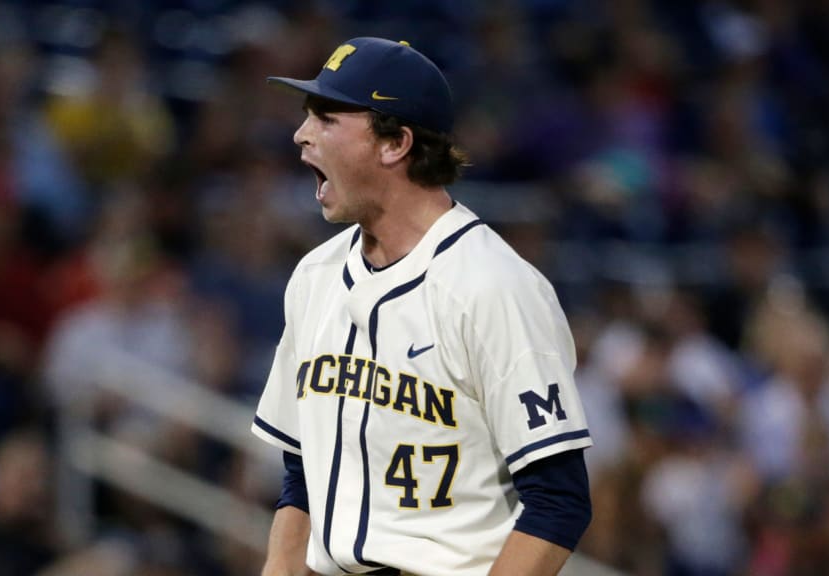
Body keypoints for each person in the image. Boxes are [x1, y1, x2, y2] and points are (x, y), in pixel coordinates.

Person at [251, 37, 592, 576]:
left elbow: (558, 502)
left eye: (326, 117)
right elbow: (300, 473)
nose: (301, 134)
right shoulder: (314, 277)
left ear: (395, 144)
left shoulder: (494, 287)